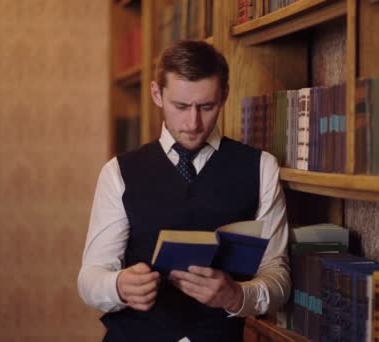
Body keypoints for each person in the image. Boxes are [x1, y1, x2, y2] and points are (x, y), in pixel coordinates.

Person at [78, 40, 291, 341]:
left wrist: (237, 296)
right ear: (157, 94)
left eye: (207, 106)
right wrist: (118, 286)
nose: (193, 123)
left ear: (225, 95)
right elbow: (89, 278)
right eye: (180, 106)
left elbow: (278, 276)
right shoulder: (118, 172)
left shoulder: (262, 168)